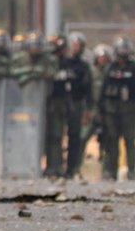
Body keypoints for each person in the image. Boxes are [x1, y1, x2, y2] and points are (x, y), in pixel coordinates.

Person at [44, 33, 92, 178]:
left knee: (74, 136)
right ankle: (54, 167)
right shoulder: (53, 63)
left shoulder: (81, 65)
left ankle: (71, 169)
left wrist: (88, 109)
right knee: (55, 135)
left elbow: (87, 88)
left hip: (75, 103)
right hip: (57, 102)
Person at [100, 37, 135, 181]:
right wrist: (102, 110)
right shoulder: (110, 68)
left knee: (130, 141)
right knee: (111, 141)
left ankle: (132, 171)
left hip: (128, 110)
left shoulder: (132, 67)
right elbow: (103, 91)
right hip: (111, 110)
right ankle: (110, 171)